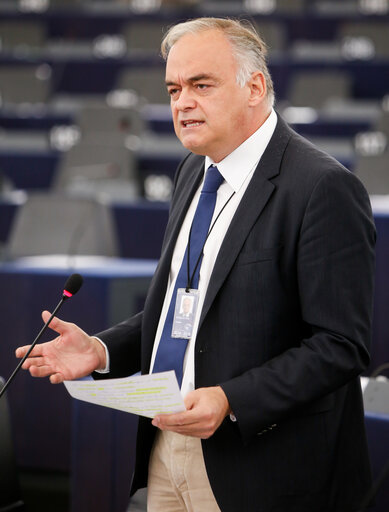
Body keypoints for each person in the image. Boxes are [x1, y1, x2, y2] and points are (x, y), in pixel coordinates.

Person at [16, 17, 376, 512]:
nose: (182, 102)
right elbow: (185, 309)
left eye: (201, 85)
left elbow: (340, 346)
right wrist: (101, 350)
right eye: (173, 88)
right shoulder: (192, 171)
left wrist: (231, 400)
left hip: (267, 468)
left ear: (255, 87)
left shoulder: (322, 188)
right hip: (168, 448)